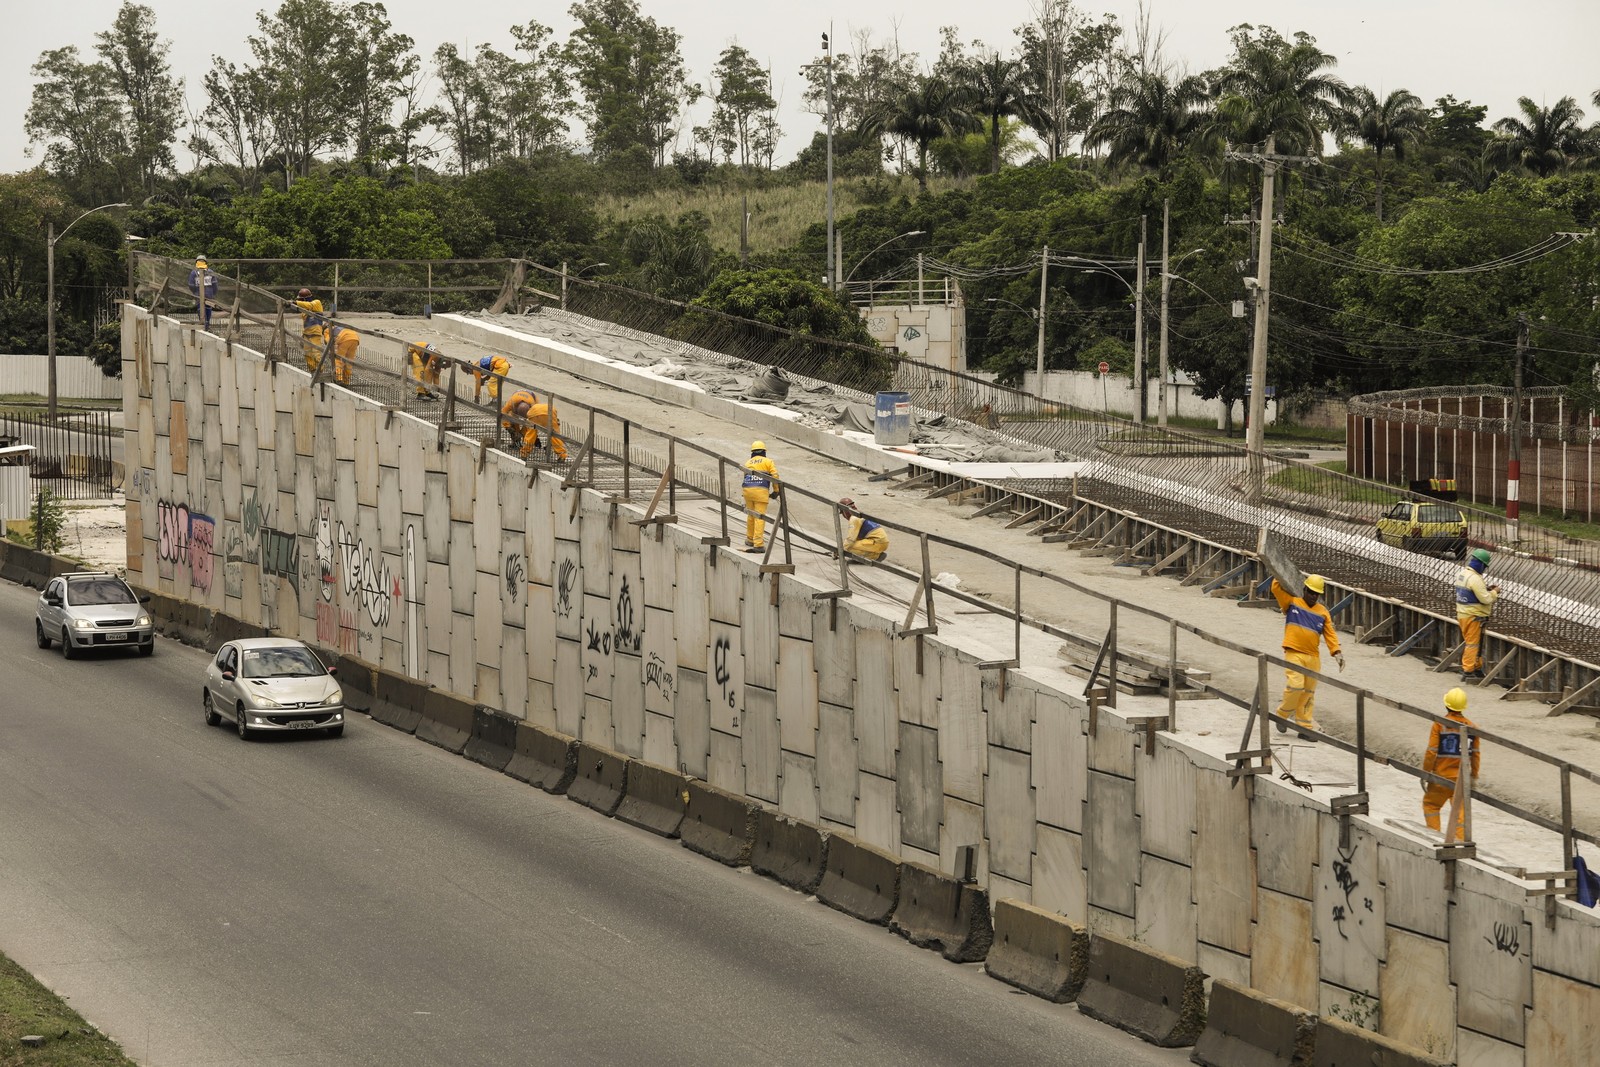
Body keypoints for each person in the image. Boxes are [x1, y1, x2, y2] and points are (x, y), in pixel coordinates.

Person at [1270, 574, 1344, 736]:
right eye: (1310, 592)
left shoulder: (1323, 612)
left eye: (1316, 594)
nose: (1313, 596)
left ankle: (1304, 727)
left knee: (1308, 693)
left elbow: (1330, 633)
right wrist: (1279, 571)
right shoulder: (1292, 602)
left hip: (1313, 657)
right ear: (1304, 589)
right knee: (1295, 685)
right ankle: (1282, 714)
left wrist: (1336, 652)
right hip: (1294, 653)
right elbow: (1276, 588)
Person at [1423, 687, 1480, 841]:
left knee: (1431, 806)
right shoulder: (1472, 728)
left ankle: (1433, 837)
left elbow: (1431, 751)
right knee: (1460, 813)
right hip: (1460, 779)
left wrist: (1426, 772)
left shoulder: (1439, 724)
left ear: (1446, 705)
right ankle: (1460, 842)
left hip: (1441, 776)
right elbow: (1475, 755)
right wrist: (1473, 776)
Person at [1455, 548, 1500, 681]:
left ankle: (1477, 667)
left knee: (1475, 643)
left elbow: (1471, 592)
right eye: (1484, 566)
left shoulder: (1463, 574)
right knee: (1473, 644)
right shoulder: (1475, 578)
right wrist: (1495, 592)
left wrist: (1485, 589)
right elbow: (1485, 599)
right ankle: (1468, 670)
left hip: (1463, 614)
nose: (1484, 569)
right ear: (1481, 564)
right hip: (1474, 616)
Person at [741, 440, 780, 552]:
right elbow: (775, 475)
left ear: (752, 452)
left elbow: (745, 476)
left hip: (747, 491)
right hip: (760, 492)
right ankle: (758, 544)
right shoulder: (768, 462)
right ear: (764, 451)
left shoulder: (748, 462)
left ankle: (750, 539)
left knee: (751, 515)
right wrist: (776, 490)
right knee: (759, 517)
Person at [838, 497, 888, 562]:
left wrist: (840, 550)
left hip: (877, 542)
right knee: (851, 544)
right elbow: (857, 537)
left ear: (845, 511)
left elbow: (850, 539)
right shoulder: (859, 514)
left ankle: (875, 556)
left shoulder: (854, 518)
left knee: (850, 547)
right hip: (882, 541)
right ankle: (875, 554)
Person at [293, 288, 327, 370]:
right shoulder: (304, 311)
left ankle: (320, 371)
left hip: (315, 333)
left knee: (316, 353)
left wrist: (295, 303)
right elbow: (306, 323)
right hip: (307, 335)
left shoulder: (316, 303)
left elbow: (309, 305)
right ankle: (312, 370)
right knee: (307, 354)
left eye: (301, 300)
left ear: (304, 299)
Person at [501, 390, 541, 457]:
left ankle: (526, 443)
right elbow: (503, 413)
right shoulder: (512, 402)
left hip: (531, 400)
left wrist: (522, 433)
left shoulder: (534, 406)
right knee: (512, 420)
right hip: (517, 401)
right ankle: (515, 441)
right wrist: (508, 427)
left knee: (529, 425)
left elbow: (533, 423)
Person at [528, 396, 567, 461]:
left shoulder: (530, 410)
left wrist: (536, 439)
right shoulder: (537, 405)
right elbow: (553, 428)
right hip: (551, 412)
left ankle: (524, 453)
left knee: (530, 434)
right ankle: (562, 455)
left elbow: (530, 429)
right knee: (555, 436)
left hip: (535, 415)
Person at [188, 256, 218, 328]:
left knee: (201, 309)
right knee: (208, 309)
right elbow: (215, 285)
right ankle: (206, 324)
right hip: (208, 294)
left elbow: (191, 285)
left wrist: (195, 292)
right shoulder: (210, 272)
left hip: (200, 295)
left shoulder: (193, 273)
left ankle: (204, 324)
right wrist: (213, 293)